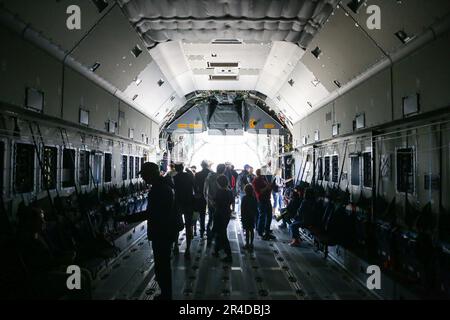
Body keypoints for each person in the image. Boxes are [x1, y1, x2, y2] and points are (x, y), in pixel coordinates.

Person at [120, 162, 178, 300]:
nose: (144, 178)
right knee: (162, 265)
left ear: (151, 174)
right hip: (166, 231)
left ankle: (166, 296)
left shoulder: (159, 190)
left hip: (162, 232)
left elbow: (152, 213)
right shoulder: (165, 186)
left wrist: (126, 218)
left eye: (145, 175)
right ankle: (166, 294)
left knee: (162, 266)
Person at [173, 163, 195, 260]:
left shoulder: (174, 178)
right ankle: (187, 249)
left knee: (176, 225)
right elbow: (195, 187)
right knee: (188, 225)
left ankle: (176, 247)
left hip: (178, 203)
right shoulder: (189, 176)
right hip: (189, 202)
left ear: (176, 169)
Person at [212, 174, 234, 263]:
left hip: (219, 214)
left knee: (222, 234)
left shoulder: (219, 192)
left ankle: (229, 255)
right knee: (220, 232)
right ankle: (216, 250)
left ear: (219, 183)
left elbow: (215, 203)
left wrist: (211, 202)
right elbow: (231, 201)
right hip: (226, 214)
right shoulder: (229, 191)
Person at [204, 163, 226, 246]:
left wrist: (208, 200)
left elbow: (205, 190)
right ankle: (218, 240)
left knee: (210, 219)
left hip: (210, 202)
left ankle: (209, 237)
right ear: (223, 170)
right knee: (219, 222)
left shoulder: (209, 177)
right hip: (219, 204)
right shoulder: (222, 178)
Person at [252, 169, 275, 240]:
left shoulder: (264, 179)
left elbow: (268, 188)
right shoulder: (255, 181)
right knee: (262, 217)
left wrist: (270, 186)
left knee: (269, 216)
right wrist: (267, 187)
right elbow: (259, 192)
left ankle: (267, 232)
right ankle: (261, 233)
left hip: (267, 199)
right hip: (261, 200)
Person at [194, 160, 211, 239]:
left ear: (201, 166)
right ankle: (210, 230)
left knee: (202, 214)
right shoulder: (211, 173)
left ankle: (202, 231)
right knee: (211, 214)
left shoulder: (197, 174)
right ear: (207, 165)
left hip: (200, 195)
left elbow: (195, 186)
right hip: (210, 196)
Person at [240, 184, 258, 250]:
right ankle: (251, 243)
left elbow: (242, 208)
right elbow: (256, 208)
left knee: (247, 231)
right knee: (252, 230)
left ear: (245, 191)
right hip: (252, 216)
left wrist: (242, 217)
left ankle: (247, 244)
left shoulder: (244, 198)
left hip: (246, 216)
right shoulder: (254, 198)